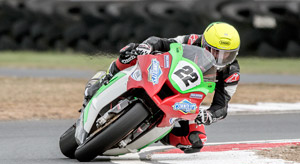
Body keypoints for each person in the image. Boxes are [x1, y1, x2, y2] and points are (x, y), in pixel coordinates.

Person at [83, 22, 241, 153]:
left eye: (227, 54)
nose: (219, 58)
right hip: (163, 74)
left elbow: (221, 106)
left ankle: (156, 132)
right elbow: (161, 42)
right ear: (204, 43)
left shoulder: (231, 72)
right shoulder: (192, 40)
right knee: (133, 51)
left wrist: (209, 115)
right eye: (215, 51)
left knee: (196, 141)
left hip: (184, 100)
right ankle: (105, 79)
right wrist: (147, 47)